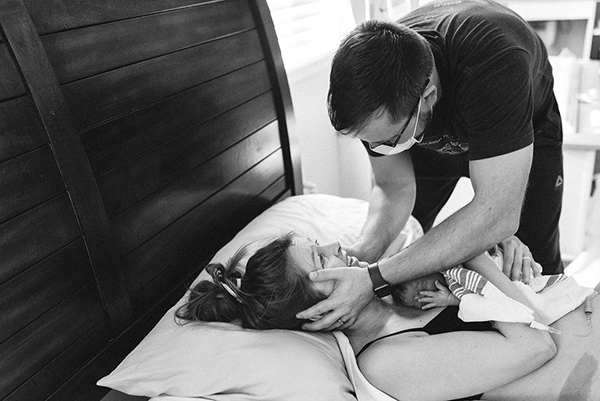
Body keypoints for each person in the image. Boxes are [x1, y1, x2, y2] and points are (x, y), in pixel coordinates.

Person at [298, 0, 564, 330]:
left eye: (388, 141)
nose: (380, 150)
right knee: (414, 271)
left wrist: (375, 277)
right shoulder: (378, 92)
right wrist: (363, 256)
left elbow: (498, 214)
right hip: (421, 128)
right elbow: (393, 187)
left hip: (520, 125)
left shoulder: (494, 62)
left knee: (533, 266)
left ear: (428, 97)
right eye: (370, 142)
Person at [176, 233, 557, 401]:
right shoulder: (385, 362)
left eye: (319, 243)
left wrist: (502, 244)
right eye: (322, 257)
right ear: (320, 312)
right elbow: (537, 345)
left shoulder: (399, 285)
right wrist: (468, 249)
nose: (336, 245)